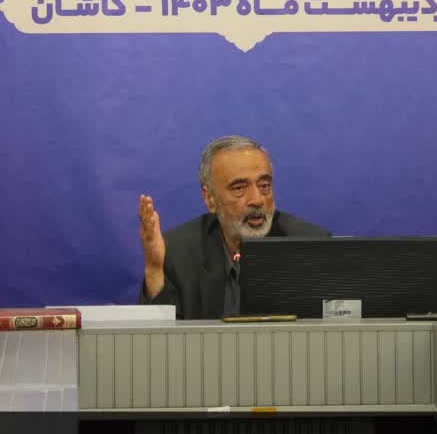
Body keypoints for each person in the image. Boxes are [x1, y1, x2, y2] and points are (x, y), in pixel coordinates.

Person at [137, 135, 328, 319]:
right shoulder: (179, 253)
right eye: (239, 188)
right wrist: (154, 269)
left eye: (264, 186)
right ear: (210, 199)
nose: (257, 200)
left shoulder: (310, 248)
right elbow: (159, 337)